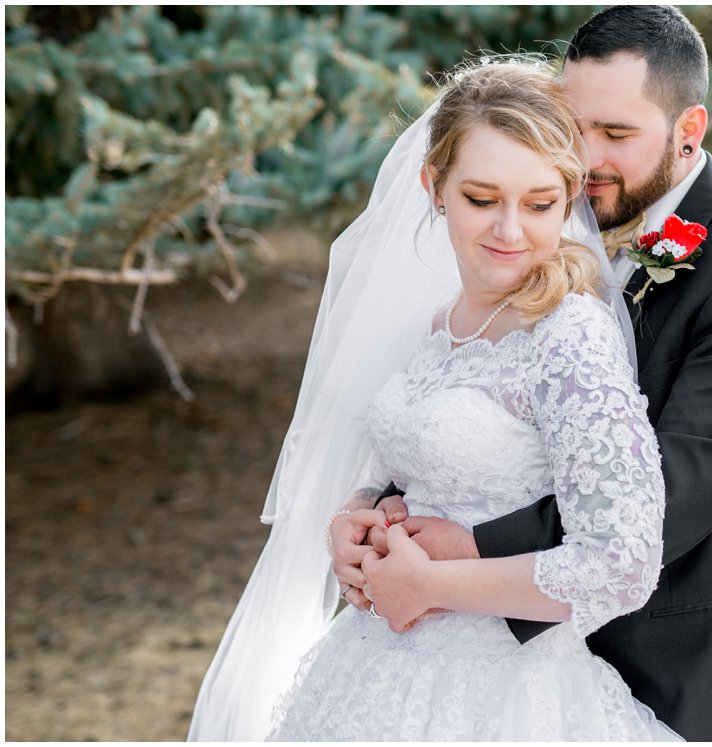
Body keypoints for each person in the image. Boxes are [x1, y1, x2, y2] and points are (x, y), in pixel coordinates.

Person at [338, 6, 712, 742]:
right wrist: (376, 511)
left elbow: (670, 492)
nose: (585, 157)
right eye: (575, 126)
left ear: (689, 130)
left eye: (616, 133)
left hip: (681, 663)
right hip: (499, 661)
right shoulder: (538, 247)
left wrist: (457, 544)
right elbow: (480, 408)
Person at [189, 59, 681, 741]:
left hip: (504, 693)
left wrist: (432, 584)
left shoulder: (569, 337)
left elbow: (620, 565)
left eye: (539, 204)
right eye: (482, 198)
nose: (510, 231)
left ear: (568, 195)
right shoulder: (436, 323)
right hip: (370, 668)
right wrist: (356, 518)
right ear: (434, 187)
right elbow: (414, 465)